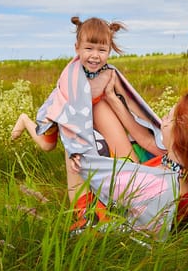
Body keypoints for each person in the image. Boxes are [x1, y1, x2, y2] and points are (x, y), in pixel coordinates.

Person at [11, 16, 165, 202]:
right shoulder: (73, 75)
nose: (95, 55)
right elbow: (72, 114)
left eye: (102, 50)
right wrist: (76, 149)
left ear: (109, 51)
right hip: (63, 117)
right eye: (89, 48)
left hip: (93, 117)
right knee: (47, 145)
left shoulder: (109, 73)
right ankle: (24, 120)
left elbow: (132, 102)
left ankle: (109, 191)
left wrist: (156, 131)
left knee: (105, 152)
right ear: (77, 48)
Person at [70, 78, 188, 239]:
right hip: (136, 186)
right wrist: (113, 98)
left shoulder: (162, 183)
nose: (163, 120)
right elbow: (146, 140)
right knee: (99, 106)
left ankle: (81, 212)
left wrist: (79, 155)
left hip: (112, 205)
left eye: (168, 118)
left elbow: (99, 175)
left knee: (73, 133)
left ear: (180, 137)